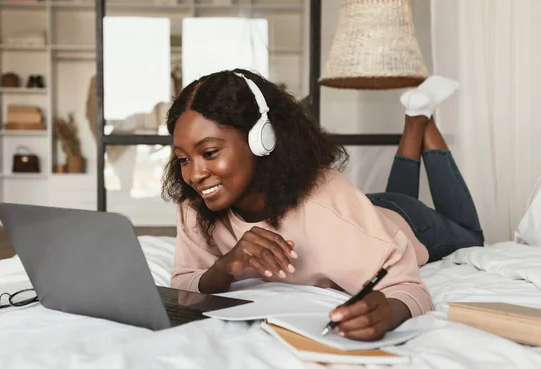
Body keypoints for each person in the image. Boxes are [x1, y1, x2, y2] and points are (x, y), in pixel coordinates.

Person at [162, 69, 484, 341]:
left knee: (471, 234)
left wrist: (388, 312)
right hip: (358, 213)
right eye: (183, 159)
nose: (194, 174)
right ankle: (415, 118)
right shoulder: (196, 200)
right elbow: (185, 283)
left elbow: (409, 288)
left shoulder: (328, 210)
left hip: (407, 222)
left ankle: (419, 124)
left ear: (263, 139)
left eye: (209, 153)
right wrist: (224, 267)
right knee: (385, 201)